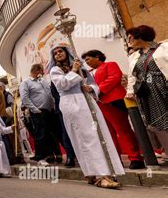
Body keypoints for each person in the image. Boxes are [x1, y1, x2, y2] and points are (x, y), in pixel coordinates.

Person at [49, 45, 125, 188]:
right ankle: (98, 174)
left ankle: (107, 170)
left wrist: (91, 89)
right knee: (85, 137)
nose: (58, 54)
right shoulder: (55, 70)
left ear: (67, 53)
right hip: (71, 103)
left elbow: (93, 84)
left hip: (87, 102)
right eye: (55, 53)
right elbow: (62, 85)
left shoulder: (80, 67)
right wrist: (73, 71)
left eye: (61, 51)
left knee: (98, 135)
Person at [82, 49, 145, 169]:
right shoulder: (88, 73)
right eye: (85, 61)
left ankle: (135, 158)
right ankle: (116, 160)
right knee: (108, 133)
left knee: (123, 130)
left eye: (88, 59)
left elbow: (114, 78)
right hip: (99, 104)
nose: (87, 62)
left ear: (97, 57)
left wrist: (96, 89)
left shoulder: (110, 65)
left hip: (112, 101)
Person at [126, 25, 168, 153]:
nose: (129, 41)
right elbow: (132, 76)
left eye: (131, 38)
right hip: (149, 93)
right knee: (161, 123)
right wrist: (130, 91)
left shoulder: (163, 47)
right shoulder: (133, 56)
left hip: (164, 86)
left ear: (141, 36)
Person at [19, 64, 61, 166]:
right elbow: (24, 98)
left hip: (50, 111)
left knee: (52, 133)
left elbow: (49, 94)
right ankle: (40, 158)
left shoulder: (42, 81)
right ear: (37, 70)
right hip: (38, 112)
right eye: (42, 70)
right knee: (41, 134)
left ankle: (54, 154)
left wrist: (53, 106)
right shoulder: (25, 82)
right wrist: (35, 110)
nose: (43, 73)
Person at [49, 81, 77, 167]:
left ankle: (77, 155)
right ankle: (70, 156)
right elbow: (56, 95)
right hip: (62, 108)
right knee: (66, 131)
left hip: (76, 106)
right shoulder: (54, 78)